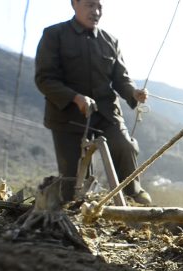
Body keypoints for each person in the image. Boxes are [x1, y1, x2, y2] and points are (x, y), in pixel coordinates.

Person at [34, 0, 152, 205]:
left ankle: (134, 193)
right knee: (73, 185)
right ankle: (71, 206)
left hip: (106, 114)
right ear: (74, 4)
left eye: (100, 7)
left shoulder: (110, 41)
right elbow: (45, 79)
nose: (96, 12)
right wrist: (75, 97)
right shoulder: (54, 35)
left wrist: (134, 92)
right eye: (90, 5)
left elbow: (121, 78)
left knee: (125, 146)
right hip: (67, 116)